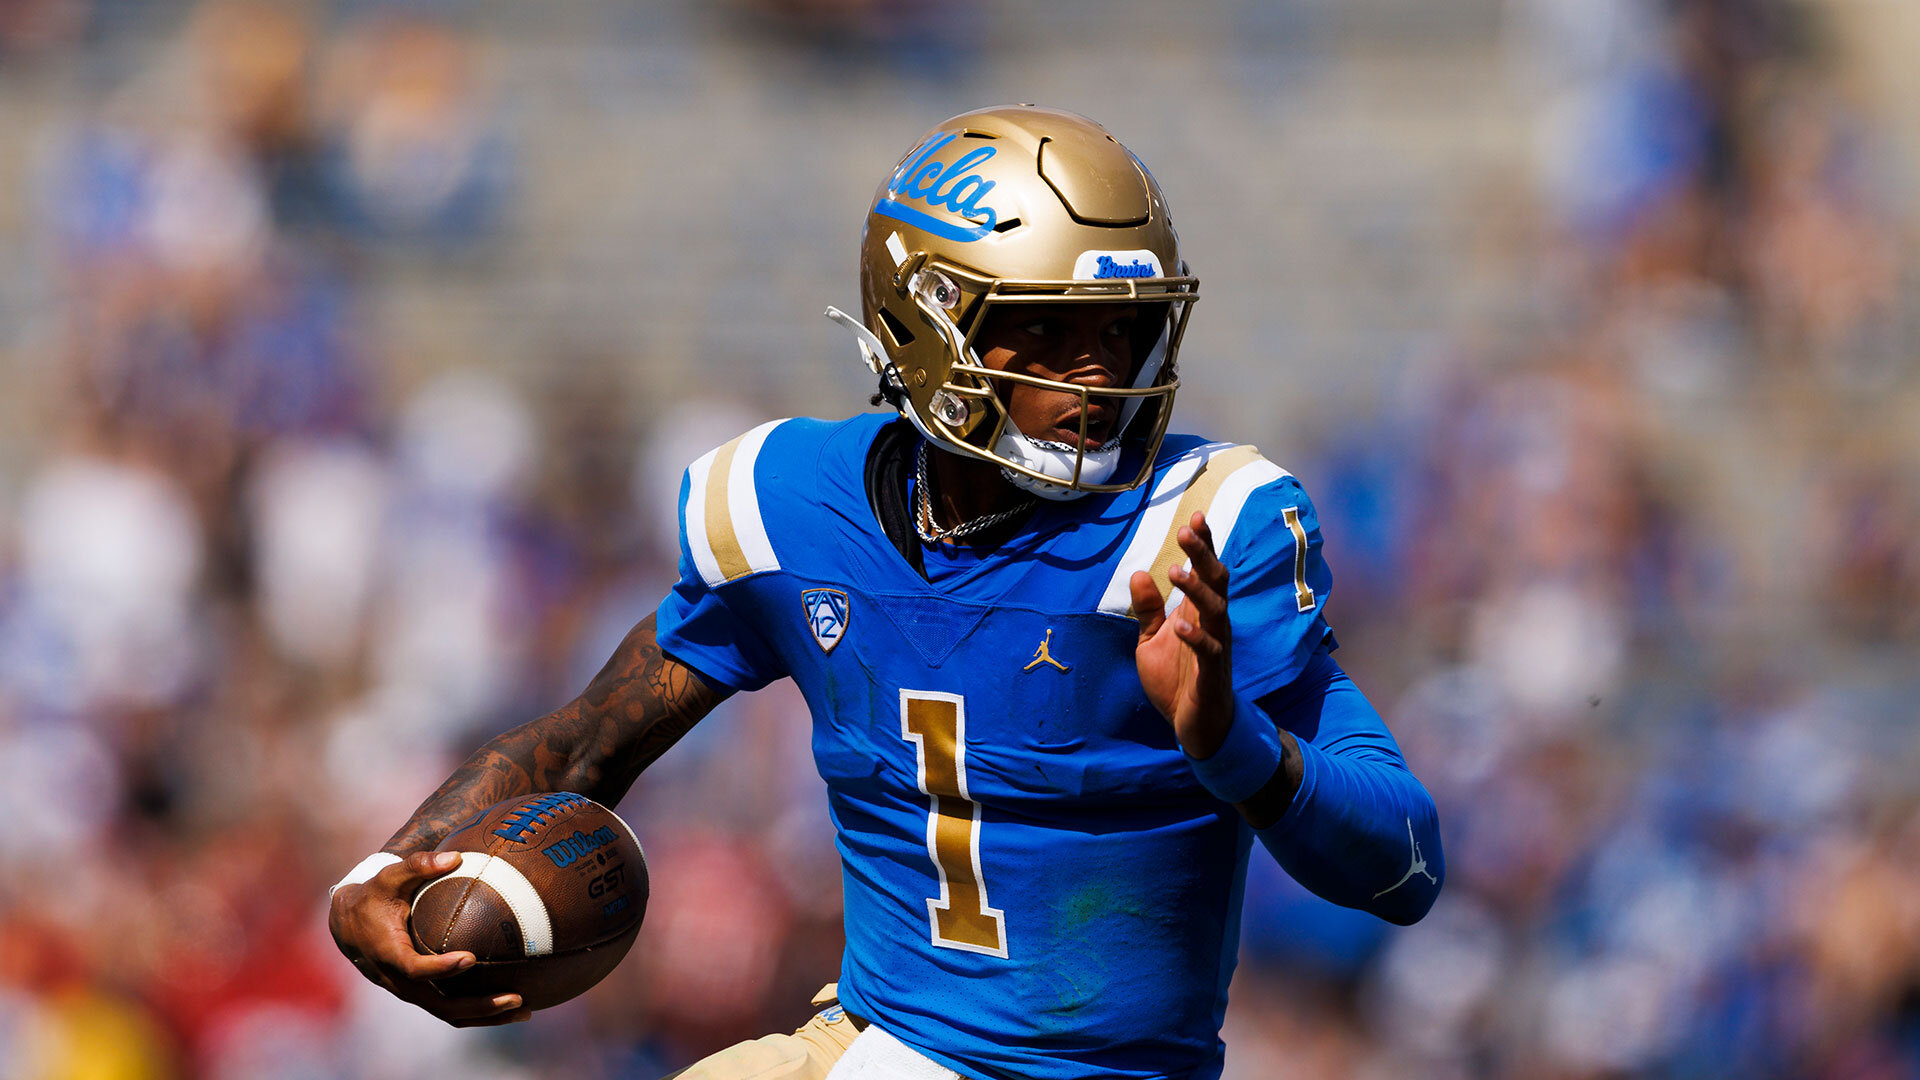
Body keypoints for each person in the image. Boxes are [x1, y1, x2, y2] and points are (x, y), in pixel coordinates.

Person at [328, 105, 1443, 1080]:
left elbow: (1405, 866)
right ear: (925, 325)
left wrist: (1229, 740)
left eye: (1123, 328)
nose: (1098, 376)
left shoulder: (1202, 529)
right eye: (1045, 330)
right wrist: (384, 873)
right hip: (881, 1041)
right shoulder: (790, 505)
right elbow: (580, 752)